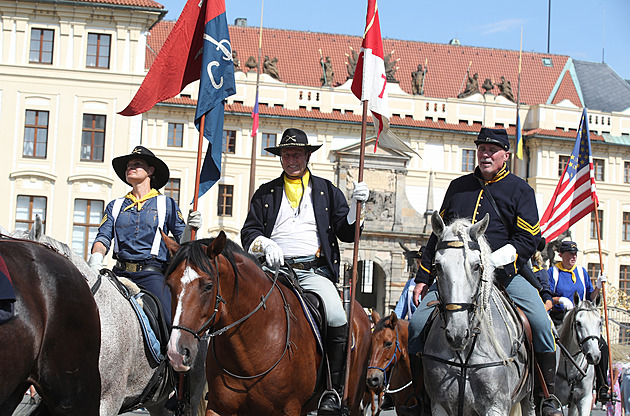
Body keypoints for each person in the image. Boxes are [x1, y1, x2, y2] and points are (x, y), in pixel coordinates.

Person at [402, 128, 561, 416]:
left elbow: (528, 240)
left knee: (540, 325)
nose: (486, 154)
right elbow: (437, 237)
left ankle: (545, 396)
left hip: (505, 274)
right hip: (455, 277)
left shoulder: (521, 190)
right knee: (416, 326)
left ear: (505, 155)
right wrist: (422, 278)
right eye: (482, 149)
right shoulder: (458, 187)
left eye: (492, 150)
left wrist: (496, 259)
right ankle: (419, 396)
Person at [241, 128, 369, 416]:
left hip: (312, 270)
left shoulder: (327, 190)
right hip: (273, 270)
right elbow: (249, 231)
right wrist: (263, 243)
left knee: (337, 314)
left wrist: (355, 211)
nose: (291, 159)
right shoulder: (266, 192)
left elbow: (347, 232)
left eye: (297, 153)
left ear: (308, 156)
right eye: (286, 154)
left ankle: (332, 392)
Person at [87, 146, 201, 328]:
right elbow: (103, 238)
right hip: (118, 273)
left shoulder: (166, 204)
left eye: (137, 164)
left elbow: (184, 243)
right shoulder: (115, 206)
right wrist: (95, 260)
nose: (130, 167)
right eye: (128, 166)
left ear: (150, 171)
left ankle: (169, 356)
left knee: (169, 320)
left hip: (151, 275)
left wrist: (191, 227)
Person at [547, 240, 609, 404]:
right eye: (570, 253)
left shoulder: (581, 272)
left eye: (575, 253)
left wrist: (597, 287)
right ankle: (545, 383)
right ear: (561, 255)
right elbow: (546, 295)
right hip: (559, 318)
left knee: (601, 344)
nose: (573, 256)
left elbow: (590, 298)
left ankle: (602, 385)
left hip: (580, 317)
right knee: (548, 343)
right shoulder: (553, 272)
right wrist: (559, 299)